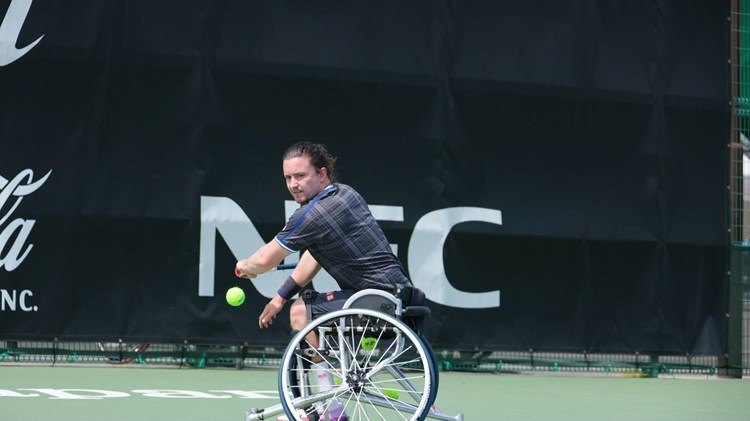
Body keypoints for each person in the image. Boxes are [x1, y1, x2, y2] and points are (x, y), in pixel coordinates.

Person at [235, 141, 412, 420]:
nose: (294, 184)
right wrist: (280, 296)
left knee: (299, 312)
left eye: (301, 176)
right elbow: (313, 258)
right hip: (397, 298)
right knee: (298, 306)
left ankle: (329, 411)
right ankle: (323, 407)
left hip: (375, 303)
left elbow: (265, 259)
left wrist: (246, 266)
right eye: (288, 178)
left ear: (322, 173)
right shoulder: (345, 194)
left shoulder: (312, 214)